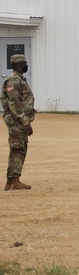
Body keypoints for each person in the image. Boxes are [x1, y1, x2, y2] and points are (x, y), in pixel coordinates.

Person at [3, 54, 35, 191]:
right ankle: (14, 181)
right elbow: (14, 104)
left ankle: (11, 181)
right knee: (18, 149)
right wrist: (25, 122)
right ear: (19, 65)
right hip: (17, 121)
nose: (25, 65)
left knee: (17, 148)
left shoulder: (19, 79)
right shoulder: (14, 81)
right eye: (24, 63)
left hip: (18, 121)